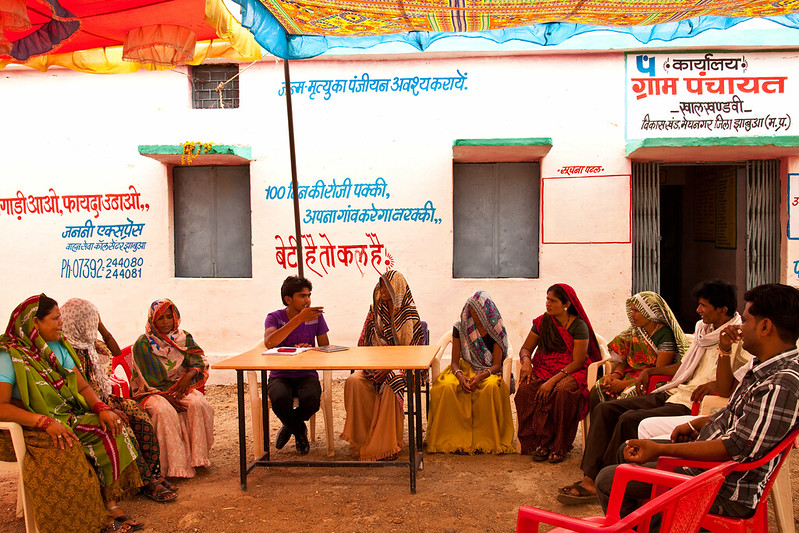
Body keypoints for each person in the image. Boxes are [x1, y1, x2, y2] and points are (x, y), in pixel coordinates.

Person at [595, 283, 799, 523]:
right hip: (710, 466)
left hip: (722, 487)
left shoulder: (780, 384)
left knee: (610, 479)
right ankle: (651, 518)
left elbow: (733, 447)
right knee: (626, 450)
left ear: (765, 327)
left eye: (744, 321)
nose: (740, 328)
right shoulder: (763, 366)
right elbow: (739, 417)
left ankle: (659, 523)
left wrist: (661, 449)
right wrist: (698, 425)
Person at [558, 279, 748, 504]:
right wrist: (650, 371)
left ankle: (609, 481)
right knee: (606, 409)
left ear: (722, 310)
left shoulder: (737, 339)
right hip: (676, 390)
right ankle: (591, 477)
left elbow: (744, 378)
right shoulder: (703, 331)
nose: (698, 311)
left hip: (692, 402)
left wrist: (717, 384)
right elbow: (684, 367)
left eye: (704, 306)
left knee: (629, 419)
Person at [0, 294, 142, 533]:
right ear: (35, 323)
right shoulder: (9, 355)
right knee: (68, 449)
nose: (61, 323)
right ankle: (87, 522)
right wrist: (43, 422)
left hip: (62, 415)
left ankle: (108, 504)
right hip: (25, 424)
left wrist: (102, 408)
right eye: (55, 319)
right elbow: (2, 406)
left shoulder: (58, 346)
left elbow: (83, 386)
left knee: (112, 429)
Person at [61, 298, 177, 503]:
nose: (93, 325)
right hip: (84, 405)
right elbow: (77, 392)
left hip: (103, 398)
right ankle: (147, 481)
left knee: (138, 413)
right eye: (90, 321)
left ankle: (153, 472)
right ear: (78, 322)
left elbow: (115, 352)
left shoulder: (89, 344)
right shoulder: (65, 350)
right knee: (121, 424)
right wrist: (105, 408)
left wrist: (101, 327)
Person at [341, 270, 425, 461]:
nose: (382, 289)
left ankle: (387, 445)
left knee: (392, 382)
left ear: (398, 288)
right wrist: (372, 366)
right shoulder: (375, 311)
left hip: (404, 367)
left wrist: (389, 368)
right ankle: (363, 440)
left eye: (386, 285)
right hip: (374, 365)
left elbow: (412, 352)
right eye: (381, 284)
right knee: (354, 381)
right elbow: (364, 343)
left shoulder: (409, 315)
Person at [515, 284, 602, 463]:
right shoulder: (541, 322)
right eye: (547, 299)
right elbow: (526, 348)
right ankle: (542, 441)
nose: (547, 304)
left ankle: (559, 445)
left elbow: (578, 362)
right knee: (525, 390)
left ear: (566, 304)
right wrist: (526, 362)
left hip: (571, 370)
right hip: (543, 366)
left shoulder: (579, 326)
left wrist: (552, 381)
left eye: (553, 300)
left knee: (563, 392)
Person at [131, 298, 214, 478]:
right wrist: (167, 397)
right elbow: (149, 379)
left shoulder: (184, 337)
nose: (166, 321)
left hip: (178, 385)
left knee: (198, 403)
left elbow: (198, 360)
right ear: (153, 320)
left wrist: (188, 377)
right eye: (161, 318)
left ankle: (197, 458)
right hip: (150, 391)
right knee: (163, 410)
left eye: (170, 317)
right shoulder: (143, 344)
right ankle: (173, 467)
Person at [426, 291, 515, 454]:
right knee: (445, 387)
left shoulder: (495, 329)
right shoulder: (460, 328)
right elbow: (454, 362)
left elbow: (496, 365)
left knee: (490, 388)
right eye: (471, 310)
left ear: (487, 311)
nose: (473, 313)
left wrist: (481, 376)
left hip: (488, 371)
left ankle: (485, 439)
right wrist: (460, 376)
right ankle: (452, 438)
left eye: (477, 310)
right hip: (463, 367)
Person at [589, 291, 689, 413]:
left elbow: (657, 372)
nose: (632, 315)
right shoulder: (633, 332)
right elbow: (624, 362)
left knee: (623, 398)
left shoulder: (665, 334)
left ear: (650, 312)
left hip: (649, 381)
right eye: (631, 310)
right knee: (599, 388)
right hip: (626, 377)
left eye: (637, 311)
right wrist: (615, 377)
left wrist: (622, 384)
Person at [263, 276, 329, 455]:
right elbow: (269, 342)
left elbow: (325, 346)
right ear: (288, 299)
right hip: (280, 374)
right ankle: (300, 431)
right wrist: (299, 320)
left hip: (306, 373)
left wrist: (310, 349)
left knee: (312, 400)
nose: (307, 300)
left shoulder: (315, 317)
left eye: (309, 295)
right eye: (302, 296)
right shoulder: (274, 317)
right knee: (279, 399)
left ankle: (290, 425)